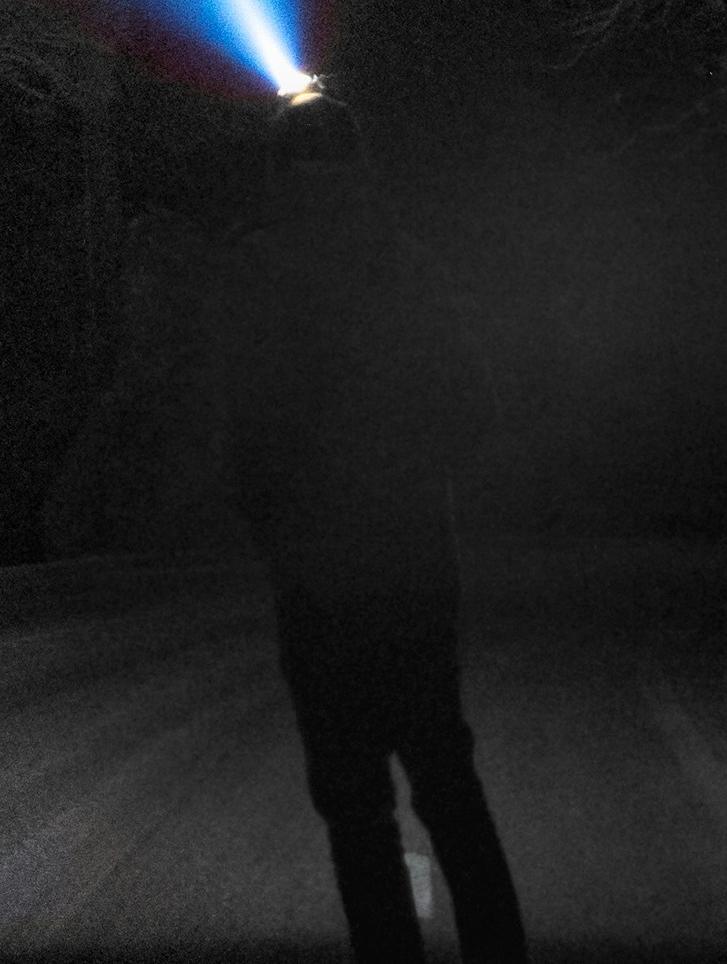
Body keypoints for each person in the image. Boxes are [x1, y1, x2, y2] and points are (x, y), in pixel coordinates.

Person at [225, 87, 528, 964]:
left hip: (316, 574)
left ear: (279, 167)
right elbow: (474, 409)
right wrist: (408, 471)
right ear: (358, 157)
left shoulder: (259, 269)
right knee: (445, 774)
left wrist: (279, 521)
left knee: (354, 801)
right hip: (411, 559)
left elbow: (246, 433)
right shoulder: (405, 264)